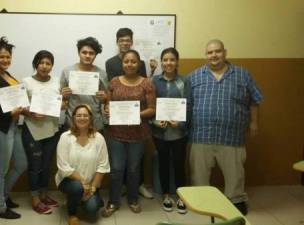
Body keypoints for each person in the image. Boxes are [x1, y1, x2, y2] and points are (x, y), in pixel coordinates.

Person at [188, 39, 263, 215]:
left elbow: (255, 100)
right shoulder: (194, 76)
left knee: (235, 172)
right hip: (201, 134)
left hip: (232, 135)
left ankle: (236, 199)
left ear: (225, 52)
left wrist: (254, 123)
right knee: (199, 172)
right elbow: (187, 103)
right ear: (205, 55)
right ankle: (202, 200)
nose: (214, 55)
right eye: (210, 52)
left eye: (217, 51)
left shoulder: (243, 74)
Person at [102, 49, 156, 216]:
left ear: (139, 64)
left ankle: (133, 199)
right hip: (115, 133)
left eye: (133, 61)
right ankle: (113, 201)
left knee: (133, 169)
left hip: (138, 134)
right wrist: (106, 110)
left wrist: (135, 115)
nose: (130, 64)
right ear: (122, 64)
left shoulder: (147, 83)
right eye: (126, 61)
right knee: (117, 169)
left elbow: (152, 109)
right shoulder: (113, 82)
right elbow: (107, 106)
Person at [0, 37, 27, 219]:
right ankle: (0, 208)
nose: (5, 60)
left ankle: (4, 196)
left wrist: (24, 107)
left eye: (8, 57)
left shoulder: (8, 76)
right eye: (1, 57)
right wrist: (9, 113)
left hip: (13, 127)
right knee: (0, 170)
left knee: (21, 163)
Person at [21, 50, 62, 214]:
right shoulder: (26, 82)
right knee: (35, 166)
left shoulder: (57, 81)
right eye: (41, 63)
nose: (45, 66)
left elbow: (62, 104)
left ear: (52, 66)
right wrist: (29, 112)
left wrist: (63, 102)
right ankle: (35, 198)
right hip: (32, 130)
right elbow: (19, 106)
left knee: (46, 165)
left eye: (48, 63)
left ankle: (44, 195)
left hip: (51, 129)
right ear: (35, 64)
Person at [56, 104, 110, 225]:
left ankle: (81, 197)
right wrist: (83, 183)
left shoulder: (99, 138)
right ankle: (72, 213)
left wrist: (92, 188)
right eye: (78, 115)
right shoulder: (65, 137)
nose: (82, 118)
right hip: (67, 180)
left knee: (92, 208)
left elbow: (103, 166)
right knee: (76, 187)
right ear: (73, 118)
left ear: (90, 118)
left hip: (91, 183)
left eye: (85, 115)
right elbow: (63, 167)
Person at [150, 47, 188, 214]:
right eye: (165, 60)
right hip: (159, 132)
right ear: (161, 62)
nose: (168, 63)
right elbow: (149, 106)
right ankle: (166, 195)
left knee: (179, 164)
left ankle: (181, 196)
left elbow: (188, 105)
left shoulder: (184, 81)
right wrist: (155, 121)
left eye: (172, 59)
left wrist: (179, 123)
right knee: (163, 163)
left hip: (179, 133)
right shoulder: (154, 81)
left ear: (177, 62)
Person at [61, 37, 108, 132]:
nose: (87, 56)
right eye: (84, 52)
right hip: (72, 123)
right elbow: (60, 100)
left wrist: (104, 98)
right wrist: (63, 96)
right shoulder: (67, 71)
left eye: (91, 53)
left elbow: (106, 100)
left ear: (96, 55)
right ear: (79, 53)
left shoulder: (102, 73)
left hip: (95, 123)